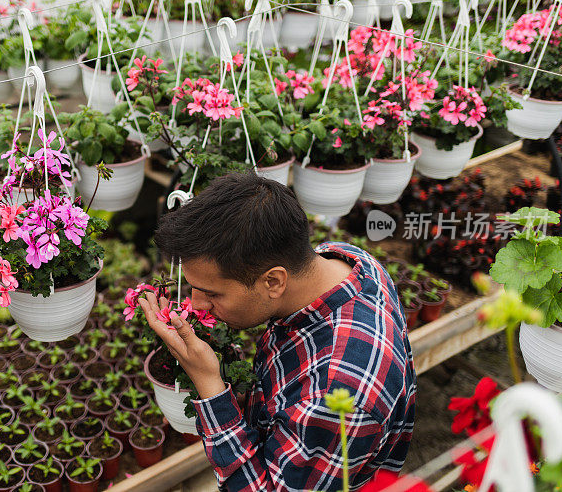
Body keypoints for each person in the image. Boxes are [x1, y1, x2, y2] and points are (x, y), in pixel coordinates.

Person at [137, 173, 416, 491]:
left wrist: (209, 385)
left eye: (212, 293)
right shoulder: (344, 260)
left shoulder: (334, 398)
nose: (195, 304)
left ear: (273, 281)